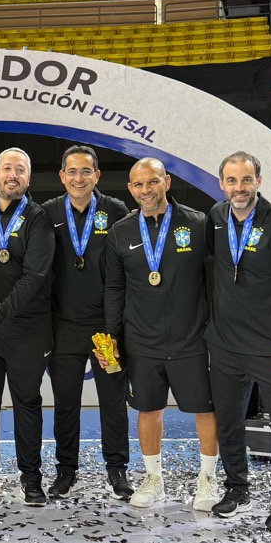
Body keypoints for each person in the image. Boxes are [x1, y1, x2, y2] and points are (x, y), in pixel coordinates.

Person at [103, 157, 219, 512]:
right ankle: (153, 478)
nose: (146, 191)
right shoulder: (121, 231)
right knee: (148, 410)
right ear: (130, 189)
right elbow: (114, 289)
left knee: (204, 411)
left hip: (192, 339)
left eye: (152, 182)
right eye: (138, 185)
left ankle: (207, 480)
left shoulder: (198, 224)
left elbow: (215, 283)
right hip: (142, 341)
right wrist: (112, 337)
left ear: (166, 182)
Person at [206, 151, 271, 531]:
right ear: (222, 184)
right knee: (229, 421)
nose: (239, 188)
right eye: (231, 181)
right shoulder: (216, 219)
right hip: (225, 344)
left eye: (246, 180)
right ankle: (237, 488)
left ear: (258, 181)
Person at [41, 144, 131, 502]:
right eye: (72, 172)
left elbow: (124, 272)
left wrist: (118, 326)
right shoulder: (47, 213)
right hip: (64, 327)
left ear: (97, 175)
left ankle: (117, 469)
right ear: (62, 176)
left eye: (86, 171)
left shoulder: (116, 211)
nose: (79, 179)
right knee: (65, 402)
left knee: (113, 400)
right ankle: (66, 470)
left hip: (106, 327)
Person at [0, 147, 55, 505]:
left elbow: (34, 276)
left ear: (28, 179)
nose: (13, 175)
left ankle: (31, 479)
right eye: (7, 168)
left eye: (20, 170)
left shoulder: (39, 218)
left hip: (26, 331)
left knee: (27, 404)